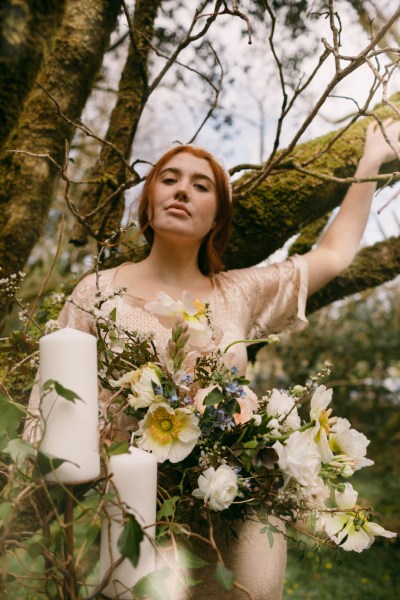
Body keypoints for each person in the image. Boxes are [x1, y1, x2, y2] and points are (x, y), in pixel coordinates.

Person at [26, 118, 400, 599]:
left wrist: (370, 162)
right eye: (169, 178)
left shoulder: (237, 293)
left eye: (200, 186)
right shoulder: (97, 290)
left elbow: (333, 255)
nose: (182, 190)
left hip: (244, 506)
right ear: (149, 201)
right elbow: (50, 410)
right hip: (141, 507)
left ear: (217, 217)